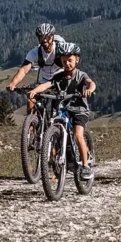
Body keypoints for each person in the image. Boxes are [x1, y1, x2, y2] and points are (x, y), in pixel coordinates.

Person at [28, 42, 96, 180]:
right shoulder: (58, 77)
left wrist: (89, 90)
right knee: (54, 124)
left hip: (79, 111)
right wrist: (35, 90)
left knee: (78, 135)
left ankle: (85, 166)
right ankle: (61, 155)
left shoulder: (80, 75)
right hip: (63, 109)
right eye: (64, 61)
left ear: (77, 59)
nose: (67, 64)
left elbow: (91, 83)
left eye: (70, 60)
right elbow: (47, 84)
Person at [6, 23, 66, 107]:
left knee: (61, 105)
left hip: (61, 79)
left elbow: (71, 61)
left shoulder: (60, 47)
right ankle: (33, 119)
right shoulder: (35, 52)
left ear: (52, 37)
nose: (44, 40)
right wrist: (13, 84)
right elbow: (23, 70)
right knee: (31, 100)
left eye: (47, 37)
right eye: (41, 37)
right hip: (44, 80)